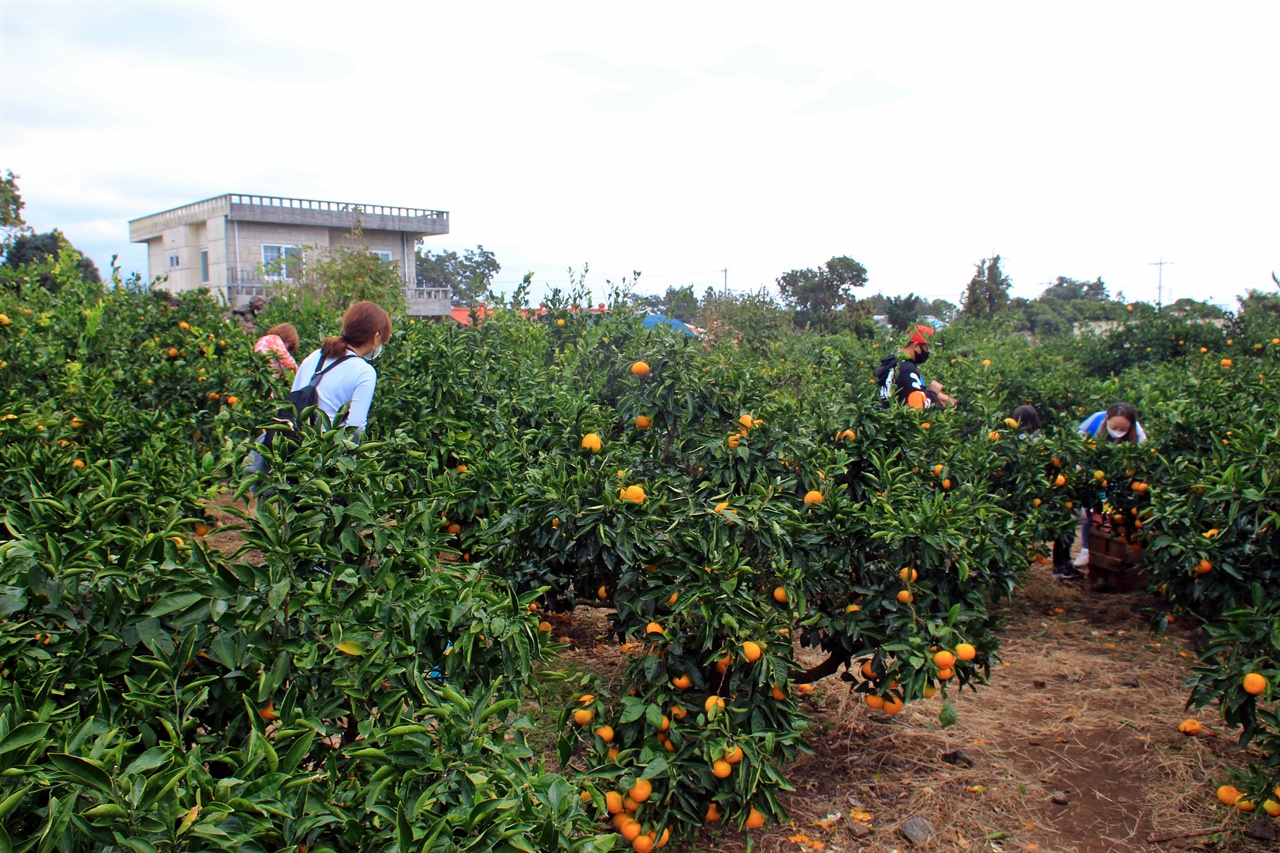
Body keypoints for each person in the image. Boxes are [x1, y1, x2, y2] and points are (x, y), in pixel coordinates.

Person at [1053, 402, 1147, 579]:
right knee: (1075, 515)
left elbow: (1144, 458)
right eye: (1114, 427)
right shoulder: (1094, 422)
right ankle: (1072, 557)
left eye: (1123, 428)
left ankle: (1104, 554)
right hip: (1087, 475)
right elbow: (1074, 447)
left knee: (1105, 514)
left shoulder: (1137, 433)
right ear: (1107, 420)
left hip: (1116, 479)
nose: (1118, 430)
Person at [290, 301, 391, 437]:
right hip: (326, 450)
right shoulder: (364, 372)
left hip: (294, 442)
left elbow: (293, 399)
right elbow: (355, 428)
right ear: (375, 337)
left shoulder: (316, 355)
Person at [875, 325, 956, 409]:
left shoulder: (893, 363)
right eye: (927, 348)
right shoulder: (907, 369)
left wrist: (932, 394)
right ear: (916, 346)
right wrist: (933, 393)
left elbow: (905, 394)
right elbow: (917, 407)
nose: (928, 352)